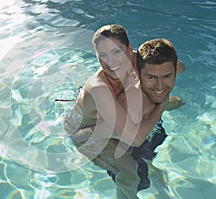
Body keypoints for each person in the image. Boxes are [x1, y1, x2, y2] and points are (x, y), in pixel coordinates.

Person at [64, 24, 185, 198]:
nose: (111, 62)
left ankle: (155, 176)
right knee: (130, 172)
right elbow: (134, 139)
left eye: (116, 52)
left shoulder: (137, 59)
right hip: (89, 133)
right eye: (103, 56)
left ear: (129, 50)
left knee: (174, 103)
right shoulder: (98, 88)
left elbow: (178, 66)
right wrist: (161, 104)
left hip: (116, 120)